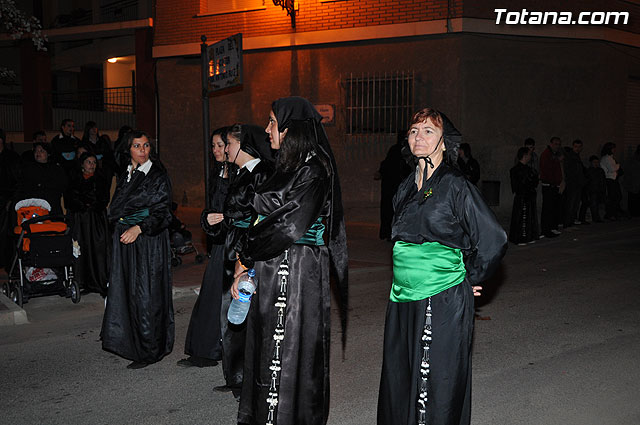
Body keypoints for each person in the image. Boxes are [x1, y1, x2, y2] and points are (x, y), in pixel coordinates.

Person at [377, 108, 507, 425]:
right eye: (414, 131)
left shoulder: (455, 185)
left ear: (444, 143)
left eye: (428, 131)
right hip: (402, 297)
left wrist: (469, 276)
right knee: (401, 375)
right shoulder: (405, 187)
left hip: (440, 297)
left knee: (434, 381)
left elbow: (493, 238)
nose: (418, 137)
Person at [234, 96, 348, 425]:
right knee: (269, 345)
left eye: (272, 122)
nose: (267, 129)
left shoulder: (314, 169)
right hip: (275, 267)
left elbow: (287, 224)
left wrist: (247, 249)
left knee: (286, 347)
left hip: (295, 272)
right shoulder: (291, 166)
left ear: (289, 129)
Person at [101, 130, 174, 369]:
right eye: (137, 146)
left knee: (147, 294)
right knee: (130, 292)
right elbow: (116, 208)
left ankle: (150, 349)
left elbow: (163, 212)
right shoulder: (128, 174)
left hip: (148, 241)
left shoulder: (157, 175)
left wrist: (139, 228)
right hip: (128, 240)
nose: (143, 150)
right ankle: (133, 343)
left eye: (146, 145)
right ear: (127, 150)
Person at [212, 123, 274, 400]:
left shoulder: (263, 173)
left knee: (247, 313)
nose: (225, 150)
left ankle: (249, 379)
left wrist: (243, 257)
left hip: (247, 250)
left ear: (242, 145)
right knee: (232, 315)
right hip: (233, 245)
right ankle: (237, 376)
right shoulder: (240, 173)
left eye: (228, 144)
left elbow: (260, 217)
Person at [178, 127, 232, 369]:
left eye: (220, 145)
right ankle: (207, 350)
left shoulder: (239, 174)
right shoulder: (217, 172)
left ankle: (217, 351)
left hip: (233, 245)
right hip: (219, 243)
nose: (216, 150)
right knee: (212, 297)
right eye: (213, 146)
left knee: (222, 298)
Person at [64, 152, 111, 296]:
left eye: (94, 162)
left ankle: (100, 282)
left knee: (98, 249)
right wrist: (82, 205)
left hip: (96, 220)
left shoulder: (100, 179)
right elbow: (69, 199)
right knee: (81, 249)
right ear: (82, 164)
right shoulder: (74, 179)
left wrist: (92, 205)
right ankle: (82, 282)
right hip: (80, 219)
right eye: (89, 162)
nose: (92, 165)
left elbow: (104, 198)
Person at [16, 142, 68, 215]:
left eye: (41, 151)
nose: (38, 153)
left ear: (48, 153)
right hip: (32, 204)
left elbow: (61, 185)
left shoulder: (56, 169)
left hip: (51, 203)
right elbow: (23, 186)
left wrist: (42, 186)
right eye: (36, 151)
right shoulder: (28, 169)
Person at [377, 133, 412, 240]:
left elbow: (385, 166)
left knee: (388, 210)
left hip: (389, 186)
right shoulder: (405, 151)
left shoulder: (395, 150)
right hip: (397, 186)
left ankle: (386, 233)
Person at [509, 147, 539, 245]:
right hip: (523, 197)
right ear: (525, 156)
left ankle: (527, 236)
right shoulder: (519, 170)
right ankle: (521, 238)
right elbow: (524, 184)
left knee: (527, 217)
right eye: (529, 155)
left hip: (525, 196)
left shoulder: (525, 169)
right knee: (522, 217)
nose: (531, 157)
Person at [0, 129, 21, 270]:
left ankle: (9, 267)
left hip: (7, 202)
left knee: (6, 236)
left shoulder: (12, 158)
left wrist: (11, 200)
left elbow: (18, 181)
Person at [539, 137, 563, 237]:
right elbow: (546, 169)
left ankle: (552, 227)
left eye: (559, 144)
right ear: (551, 144)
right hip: (548, 185)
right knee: (548, 209)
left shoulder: (554, 154)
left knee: (553, 208)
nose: (557, 146)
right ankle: (546, 230)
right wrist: (557, 161)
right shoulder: (546, 154)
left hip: (554, 185)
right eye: (555, 144)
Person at [562, 139, 587, 227]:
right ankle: (567, 224)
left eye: (579, 147)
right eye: (576, 146)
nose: (577, 148)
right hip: (572, 184)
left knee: (575, 205)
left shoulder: (577, 156)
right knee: (570, 204)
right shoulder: (570, 156)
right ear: (573, 146)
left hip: (578, 184)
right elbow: (569, 171)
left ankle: (571, 223)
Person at [600, 142, 623, 220]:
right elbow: (612, 169)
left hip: (613, 179)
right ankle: (610, 214)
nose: (614, 150)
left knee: (617, 197)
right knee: (613, 197)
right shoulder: (606, 158)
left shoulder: (610, 157)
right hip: (609, 180)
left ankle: (613, 213)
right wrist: (618, 165)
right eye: (613, 148)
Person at [584, 155, 606, 222]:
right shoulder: (589, 171)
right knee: (593, 204)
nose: (596, 164)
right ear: (591, 163)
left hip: (600, 190)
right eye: (594, 162)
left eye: (597, 162)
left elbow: (603, 180)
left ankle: (599, 217)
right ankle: (595, 218)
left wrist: (604, 189)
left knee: (600, 205)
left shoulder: (600, 170)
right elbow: (587, 182)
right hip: (592, 190)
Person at [625, 145, 640, 217]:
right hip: (634, 182)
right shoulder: (633, 160)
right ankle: (633, 213)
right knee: (633, 198)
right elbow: (631, 172)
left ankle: (634, 212)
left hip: (634, 182)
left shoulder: (633, 159)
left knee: (634, 198)